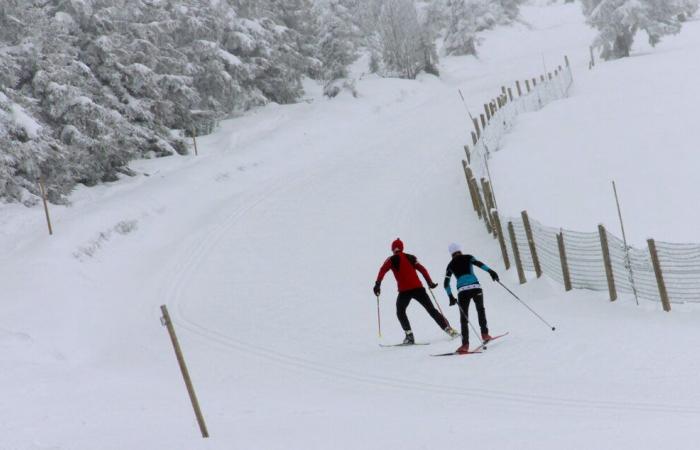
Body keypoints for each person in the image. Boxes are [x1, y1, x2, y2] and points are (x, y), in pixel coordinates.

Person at [374, 238, 459, 344]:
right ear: (402, 247)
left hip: (404, 291)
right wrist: (430, 282)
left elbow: (382, 270)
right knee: (431, 309)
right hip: (418, 289)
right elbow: (422, 269)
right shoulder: (411, 257)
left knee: (400, 312)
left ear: (392, 249)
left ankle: (409, 336)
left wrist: (377, 284)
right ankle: (449, 330)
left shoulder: (391, 259)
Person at [443, 243, 499, 354]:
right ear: (460, 250)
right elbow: (480, 264)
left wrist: (450, 296)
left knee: (464, 318)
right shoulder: (468, 257)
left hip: (462, 292)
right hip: (476, 287)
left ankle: (465, 345)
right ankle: (485, 334)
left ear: (451, 253)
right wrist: (491, 272)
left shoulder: (450, 265)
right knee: (480, 310)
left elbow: (446, 284)